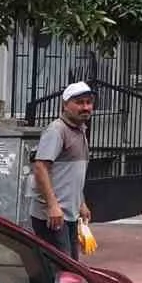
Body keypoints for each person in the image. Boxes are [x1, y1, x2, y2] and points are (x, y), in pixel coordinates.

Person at [30, 81, 93, 259]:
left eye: (88, 102)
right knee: (61, 269)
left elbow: (73, 175)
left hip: (69, 214)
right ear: (65, 105)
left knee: (71, 265)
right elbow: (41, 167)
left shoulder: (80, 131)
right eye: (79, 103)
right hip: (53, 216)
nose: (85, 107)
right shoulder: (57, 130)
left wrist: (81, 203)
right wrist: (52, 206)